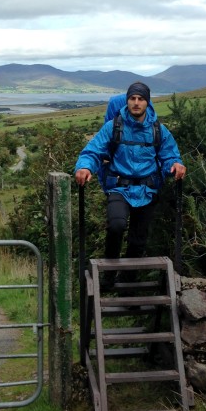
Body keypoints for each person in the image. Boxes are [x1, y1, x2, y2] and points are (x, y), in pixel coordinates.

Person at [75, 82, 186, 273]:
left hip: (147, 190)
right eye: (132, 98)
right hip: (119, 188)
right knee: (116, 225)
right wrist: (85, 167)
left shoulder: (158, 130)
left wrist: (175, 165)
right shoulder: (113, 127)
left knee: (138, 240)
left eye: (140, 99)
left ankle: (129, 280)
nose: (136, 102)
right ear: (127, 101)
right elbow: (93, 151)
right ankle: (109, 274)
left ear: (147, 102)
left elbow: (169, 155)